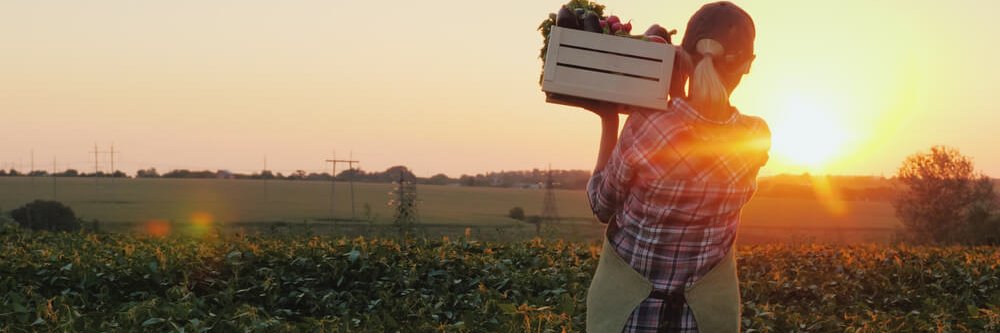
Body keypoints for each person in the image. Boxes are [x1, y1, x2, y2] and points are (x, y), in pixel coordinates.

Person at [583, 2, 770, 332]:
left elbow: (601, 203)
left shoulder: (648, 126)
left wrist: (609, 119)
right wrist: (679, 90)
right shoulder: (755, 138)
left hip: (626, 317)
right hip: (704, 320)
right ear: (748, 65)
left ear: (683, 54)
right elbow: (699, 133)